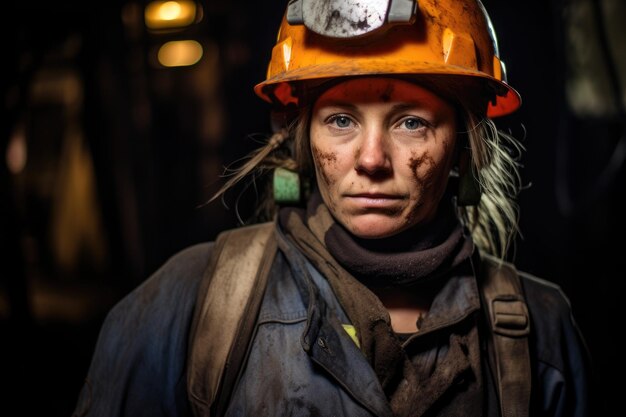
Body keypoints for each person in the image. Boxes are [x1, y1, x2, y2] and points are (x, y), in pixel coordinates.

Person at [72, 1, 594, 416]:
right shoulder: (189, 304)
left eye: (411, 121)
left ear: (462, 144)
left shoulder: (538, 330)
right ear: (301, 139)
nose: (371, 160)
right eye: (341, 120)